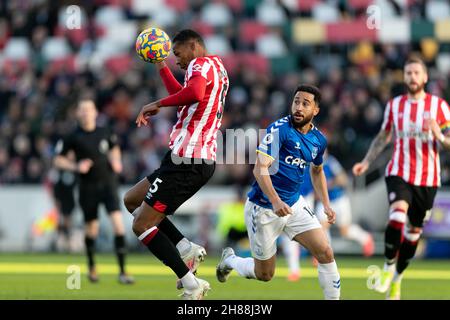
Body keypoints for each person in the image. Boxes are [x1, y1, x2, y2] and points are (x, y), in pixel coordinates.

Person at [123, 29, 229, 300]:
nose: (178, 61)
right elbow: (185, 96)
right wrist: (161, 65)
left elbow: (192, 94)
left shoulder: (200, 63)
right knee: (132, 200)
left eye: (178, 54)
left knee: (141, 225)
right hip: (185, 158)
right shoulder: (217, 67)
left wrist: (156, 103)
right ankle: (184, 247)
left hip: (188, 160)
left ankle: (191, 284)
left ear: (193, 46)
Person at [216, 84, 341, 300]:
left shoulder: (318, 140)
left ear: (316, 110)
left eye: (305, 103)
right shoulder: (279, 129)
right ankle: (230, 260)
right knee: (265, 274)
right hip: (263, 208)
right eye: (296, 102)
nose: (299, 108)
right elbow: (259, 168)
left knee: (325, 252)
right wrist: (274, 201)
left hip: (293, 204)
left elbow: (318, 170)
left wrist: (326, 204)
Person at [353, 56, 450, 300]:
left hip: (428, 178)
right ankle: (387, 268)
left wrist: (438, 133)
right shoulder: (395, 105)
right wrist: (366, 162)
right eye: (408, 73)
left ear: (425, 77)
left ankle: (397, 279)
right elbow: (383, 137)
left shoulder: (439, 107)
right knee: (397, 215)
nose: (412, 77)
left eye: (417, 73)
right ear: (404, 77)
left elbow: (449, 142)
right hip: (399, 171)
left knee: (413, 232)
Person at [54, 99, 134, 284]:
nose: (85, 113)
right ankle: (92, 267)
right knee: (92, 229)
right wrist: (76, 166)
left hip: (108, 184)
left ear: (95, 112)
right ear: (78, 114)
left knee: (118, 225)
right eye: (82, 110)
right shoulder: (72, 136)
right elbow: (58, 160)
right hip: (87, 187)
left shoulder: (105, 131)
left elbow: (115, 149)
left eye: (89, 109)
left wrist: (116, 161)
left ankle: (122, 272)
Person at [316, 152, 375, 257]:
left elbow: (343, 179)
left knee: (345, 231)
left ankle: (365, 237)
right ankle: (324, 253)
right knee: (321, 227)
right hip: (324, 201)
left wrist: (329, 184)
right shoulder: (311, 162)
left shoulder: (331, 162)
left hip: (339, 199)